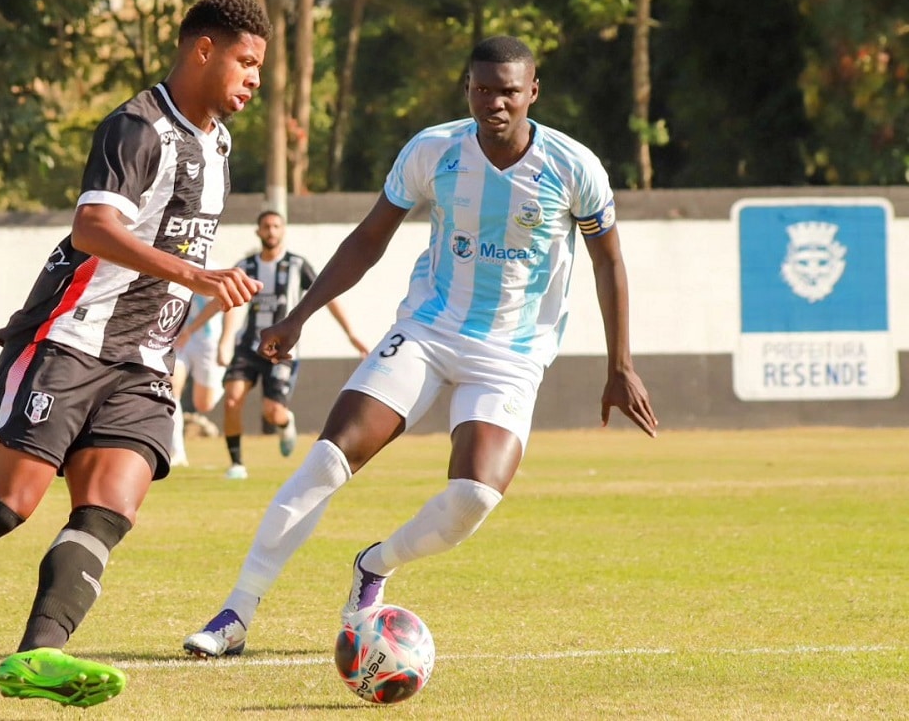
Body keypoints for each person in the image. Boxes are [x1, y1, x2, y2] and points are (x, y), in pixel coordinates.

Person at [0, 0, 271, 707]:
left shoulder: (218, 141)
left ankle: (37, 655)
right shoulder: (137, 128)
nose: (254, 79)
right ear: (203, 49)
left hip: (142, 362)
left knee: (110, 506)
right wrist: (196, 276)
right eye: (246, 62)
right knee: (4, 509)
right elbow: (93, 230)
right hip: (67, 343)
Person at [184, 34, 658, 658]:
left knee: (473, 498)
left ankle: (375, 564)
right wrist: (299, 316)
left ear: (532, 93)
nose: (495, 103)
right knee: (327, 459)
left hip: (511, 354)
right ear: (467, 89)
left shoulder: (575, 168)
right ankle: (235, 614)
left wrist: (619, 365)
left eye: (509, 91)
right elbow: (368, 239)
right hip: (428, 330)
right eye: (483, 89)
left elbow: (610, 263)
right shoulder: (434, 150)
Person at [180, 209, 368, 480]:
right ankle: (237, 464)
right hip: (248, 346)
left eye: (276, 226)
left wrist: (350, 333)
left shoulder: (296, 265)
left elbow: (327, 295)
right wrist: (191, 330)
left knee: (273, 413)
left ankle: (285, 421)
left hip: (281, 350)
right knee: (232, 400)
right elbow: (219, 299)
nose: (271, 231)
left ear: (283, 231)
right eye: (266, 226)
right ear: (258, 232)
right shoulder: (246, 266)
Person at [168, 276, 227, 467]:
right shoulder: (171, 262)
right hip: (177, 339)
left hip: (206, 341)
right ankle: (177, 452)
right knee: (171, 387)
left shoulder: (213, 267)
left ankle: (222, 383)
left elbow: (221, 301)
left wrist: (191, 330)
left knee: (204, 403)